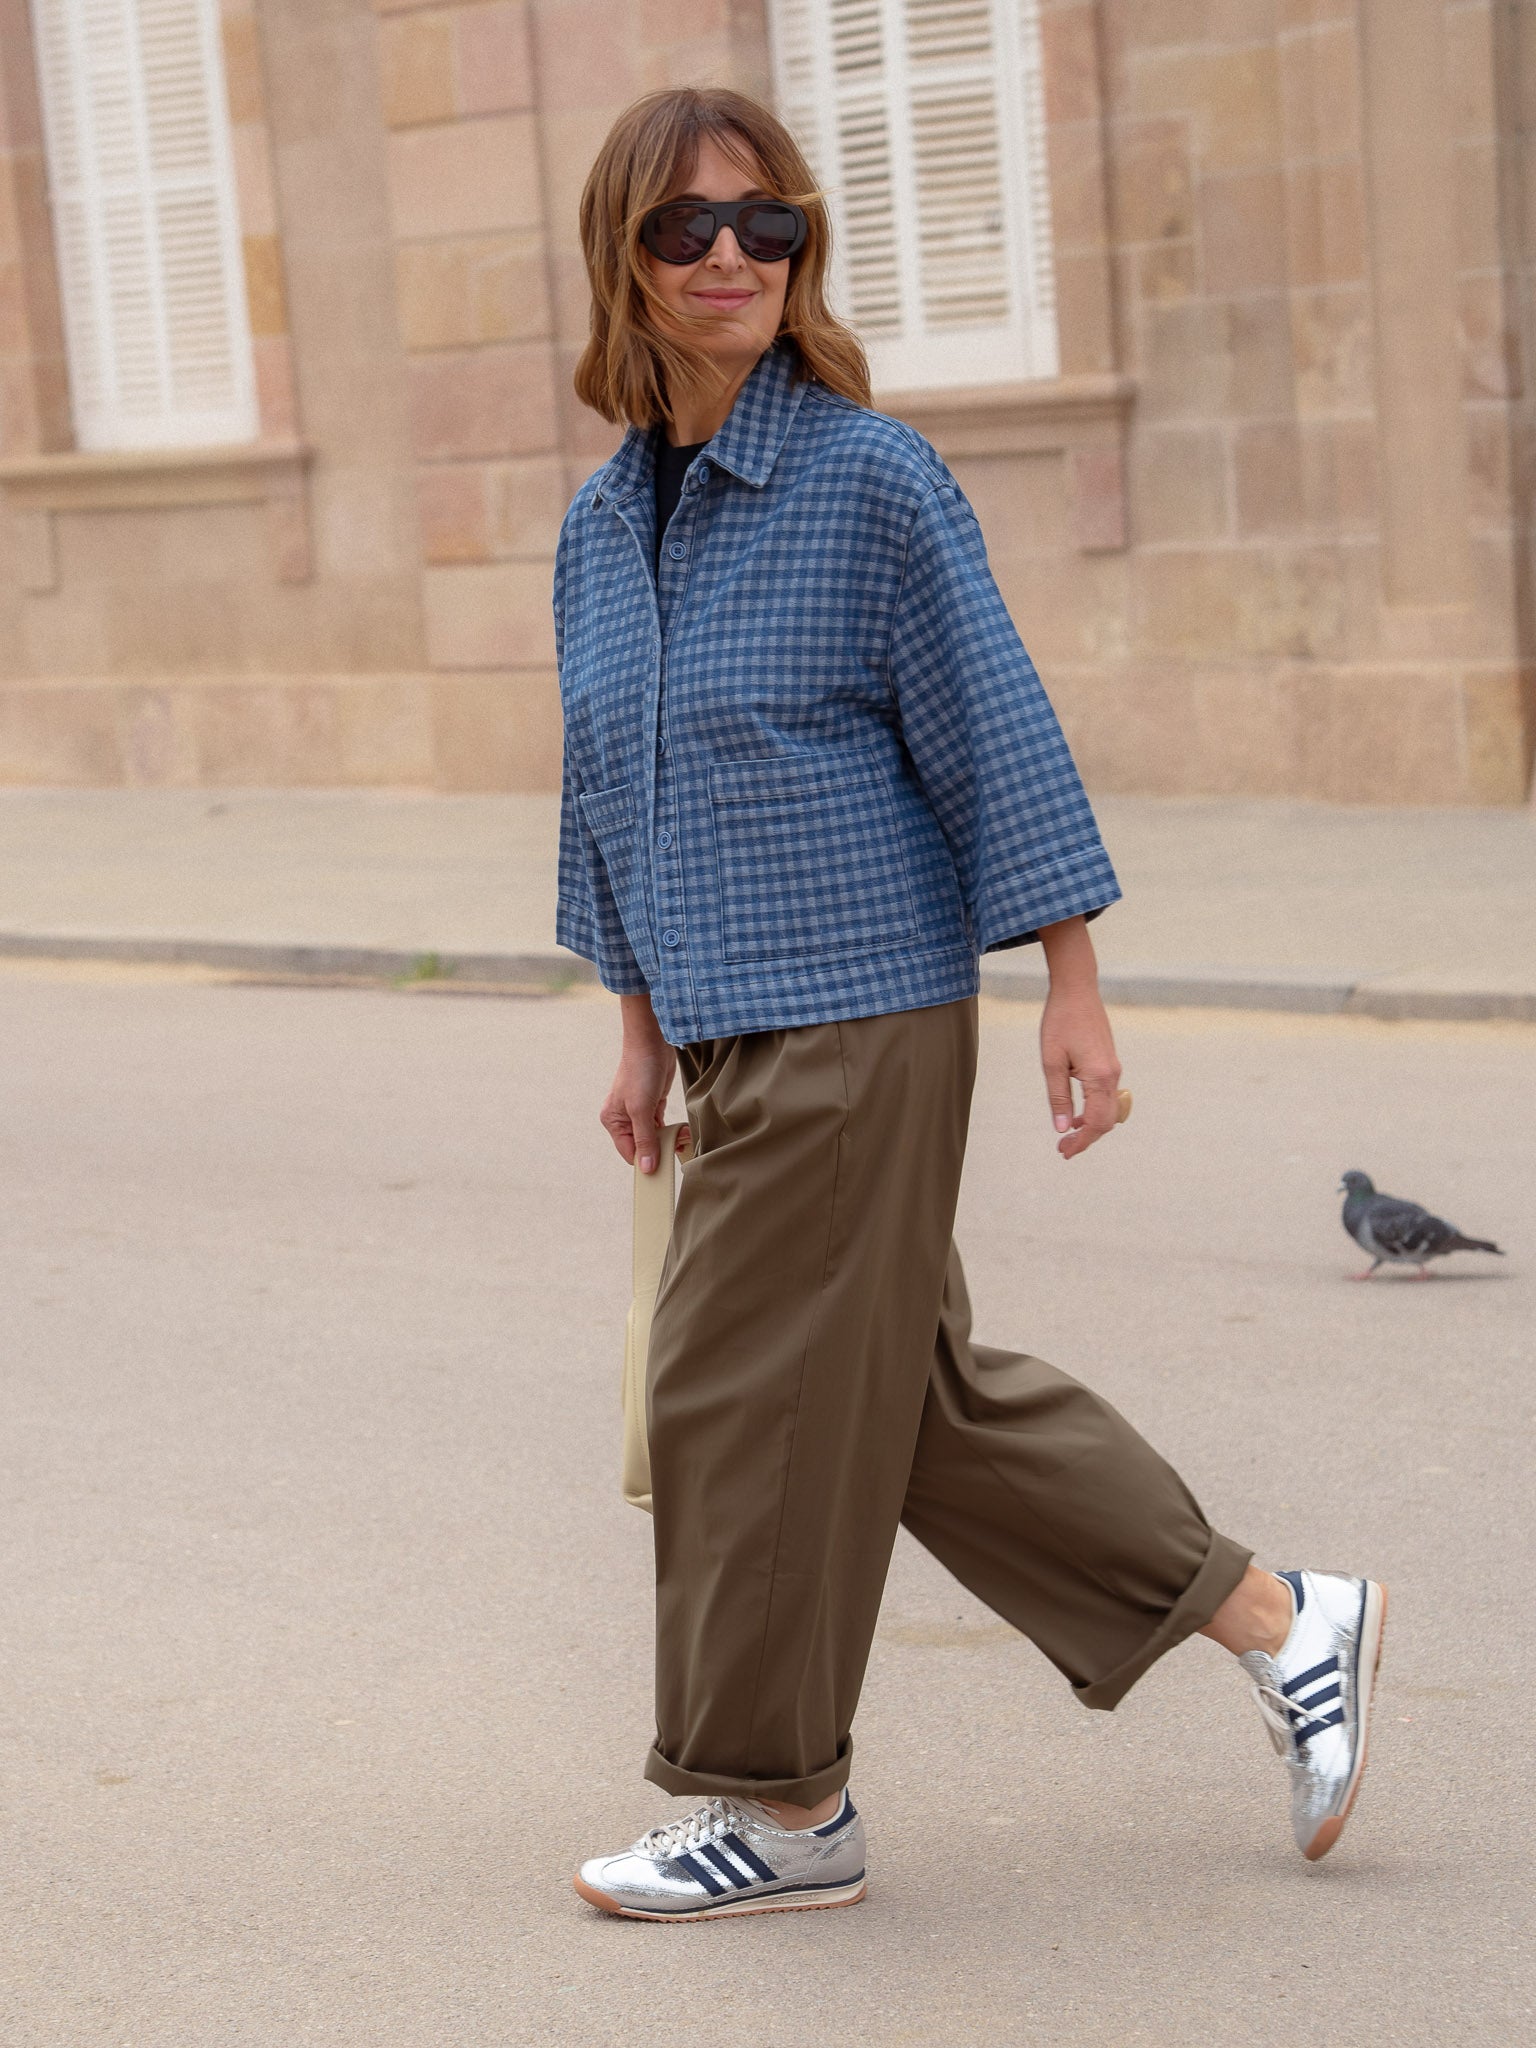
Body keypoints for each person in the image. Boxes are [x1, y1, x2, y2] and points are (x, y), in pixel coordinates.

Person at [554, 86, 1386, 1922]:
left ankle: (781, 1809)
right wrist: (633, 1022)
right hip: (722, 1022)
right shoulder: (603, 529)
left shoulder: (869, 480)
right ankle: (1285, 1619)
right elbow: (607, 789)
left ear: (803, 248)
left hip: (860, 1012)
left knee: (733, 1397)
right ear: (625, 255)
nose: (730, 258)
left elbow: (993, 730)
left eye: (766, 224)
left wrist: (1073, 982)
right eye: (688, 227)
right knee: (897, 1397)